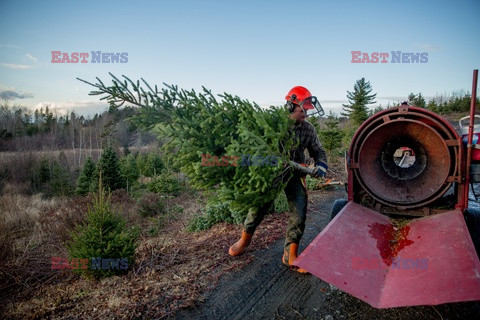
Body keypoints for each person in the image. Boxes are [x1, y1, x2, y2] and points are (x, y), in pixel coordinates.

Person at [228, 86, 328, 273]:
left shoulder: (308, 129)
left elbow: (318, 150)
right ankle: (244, 239)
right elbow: (253, 146)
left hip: (295, 173)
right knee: (258, 208)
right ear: (291, 106)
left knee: (299, 211)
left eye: (307, 110)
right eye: (302, 110)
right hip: (272, 173)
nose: (306, 114)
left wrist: (321, 165)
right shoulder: (272, 125)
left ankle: (290, 254)